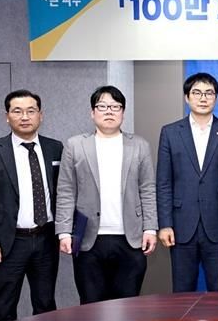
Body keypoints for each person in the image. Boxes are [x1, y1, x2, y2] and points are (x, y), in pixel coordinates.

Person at [55, 86, 158, 304]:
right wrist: (63, 232)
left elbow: (148, 189)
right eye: (102, 106)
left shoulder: (139, 145)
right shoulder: (75, 145)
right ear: (92, 113)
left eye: (115, 106)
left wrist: (150, 228)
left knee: (128, 304)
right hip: (88, 239)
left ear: (123, 112)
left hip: (130, 238)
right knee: (91, 304)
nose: (109, 111)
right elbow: (66, 190)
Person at [0, 90, 63, 321]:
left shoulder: (55, 148)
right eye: (17, 111)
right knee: (4, 308)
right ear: (7, 116)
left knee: (46, 306)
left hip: (46, 240)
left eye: (31, 111)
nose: (25, 117)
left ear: (40, 115)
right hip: (8, 242)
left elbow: (63, 193)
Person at [156, 73, 218, 292]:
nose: (203, 98)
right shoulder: (170, 132)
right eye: (197, 93)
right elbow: (164, 182)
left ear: (216, 98)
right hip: (181, 225)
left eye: (209, 93)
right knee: (182, 291)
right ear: (187, 97)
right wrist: (165, 224)